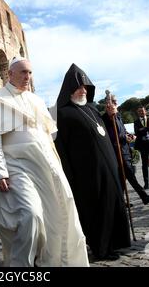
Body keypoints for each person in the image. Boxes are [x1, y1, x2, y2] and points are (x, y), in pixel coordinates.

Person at [0, 57, 89, 267]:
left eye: (30, 72)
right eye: (22, 72)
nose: (27, 77)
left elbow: (48, 136)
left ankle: (57, 261)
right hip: (16, 166)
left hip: (46, 165)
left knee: (60, 212)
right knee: (30, 215)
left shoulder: (36, 100)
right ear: (9, 74)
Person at [54, 63, 131, 261]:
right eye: (79, 87)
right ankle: (101, 248)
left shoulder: (92, 109)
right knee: (96, 209)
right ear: (70, 89)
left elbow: (103, 130)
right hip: (86, 173)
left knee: (113, 203)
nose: (83, 90)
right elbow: (61, 147)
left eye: (86, 87)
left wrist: (110, 115)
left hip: (109, 168)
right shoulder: (63, 113)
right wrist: (69, 175)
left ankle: (116, 242)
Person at [102, 104, 149, 205]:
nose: (114, 105)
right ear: (107, 107)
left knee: (123, 178)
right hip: (117, 152)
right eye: (112, 103)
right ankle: (144, 197)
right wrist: (124, 138)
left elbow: (123, 130)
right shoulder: (106, 119)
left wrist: (129, 135)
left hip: (125, 150)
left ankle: (121, 201)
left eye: (115, 103)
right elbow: (112, 136)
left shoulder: (118, 116)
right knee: (130, 175)